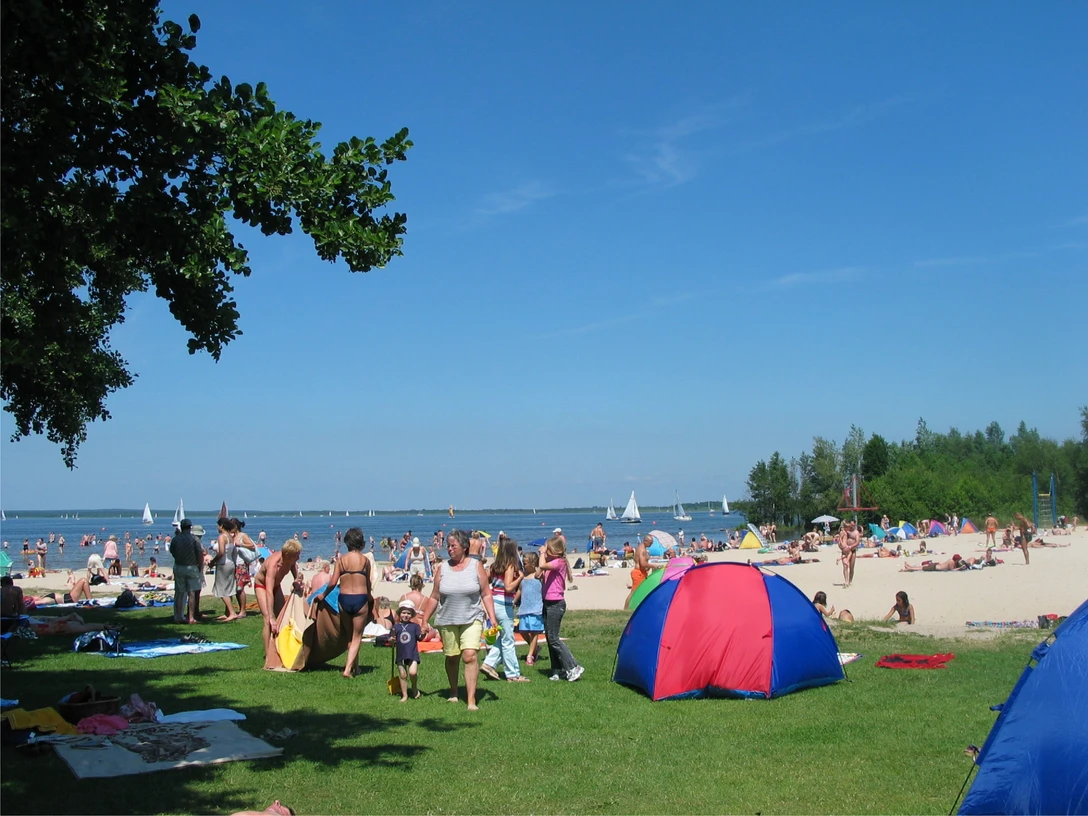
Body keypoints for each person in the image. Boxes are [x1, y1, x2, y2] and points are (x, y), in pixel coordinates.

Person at [420, 529, 498, 710]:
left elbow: (486, 594)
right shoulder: (443, 568)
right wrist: (424, 619)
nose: (449, 549)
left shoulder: (475, 566)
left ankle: (471, 700)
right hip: (447, 619)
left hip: (472, 618)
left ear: (464, 547)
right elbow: (434, 596)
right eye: (448, 546)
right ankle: (454, 691)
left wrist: (492, 617)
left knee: (469, 655)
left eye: (453, 546)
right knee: (452, 656)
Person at [313, 527, 371, 678]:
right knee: (357, 636)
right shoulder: (365, 561)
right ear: (361, 543)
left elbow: (332, 582)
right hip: (360, 598)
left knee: (349, 635)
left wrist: (323, 595)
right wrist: (370, 598)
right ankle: (347, 670)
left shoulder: (341, 560)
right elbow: (368, 584)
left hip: (344, 599)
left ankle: (355, 668)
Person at [481, 537, 528, 683]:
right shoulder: (510, 566)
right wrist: (520, 578)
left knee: (503, 638)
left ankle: (489, 664)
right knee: (508, 640)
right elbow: (508, 587)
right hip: (504, 605)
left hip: (494, 603)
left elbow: (484, 580)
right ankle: (512, 674)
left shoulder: (495, 565)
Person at [538, 535, 583, 682]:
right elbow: (539, 572)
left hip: (556, 604)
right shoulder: (551, 562)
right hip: (547, 602)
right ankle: (557, 669)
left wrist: (541, 554)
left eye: (548, 548)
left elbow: (543, 566)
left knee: (554, 638)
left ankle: (573, 666)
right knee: (549, 638)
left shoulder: (559, 562)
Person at [254, 538, 303, 665]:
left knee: (283, 618)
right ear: (288, 555)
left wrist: (296, 580)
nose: (298, 558)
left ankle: (281, 649)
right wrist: (271, 616)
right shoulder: (273, 565)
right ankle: (268, 656)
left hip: (276, 586)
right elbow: (269, 592)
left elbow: (293, 569)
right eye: (296, 556)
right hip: (262, 586)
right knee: (268, 621)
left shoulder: (290, 560)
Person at [169, 519, 205, 624]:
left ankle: (178, 616)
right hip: (191, 566)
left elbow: (173, 551)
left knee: (179, 592)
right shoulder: (194, 539)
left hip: (179, 566)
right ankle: (191, 617)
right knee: (192, 592)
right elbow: (199, 553)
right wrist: (199, 566)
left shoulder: (176, 539)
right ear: (190, 528)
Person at [392, 599, 424, 701]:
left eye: (408, 613)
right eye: (403, 613)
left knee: (413, 672)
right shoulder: (395, 627)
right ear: (400, 614)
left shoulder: (415, 626)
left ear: (412, 615)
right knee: (403, 674)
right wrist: (391, 640)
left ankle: (414, 687)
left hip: (412, 653)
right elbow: (392, 640)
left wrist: (423, 634)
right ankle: (404, 695)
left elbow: (419, 637)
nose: (406, 615)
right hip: (401, 654)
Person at [517, 552, 544, 666]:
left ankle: (530, 655)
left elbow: (542, 566)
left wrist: (542, 553)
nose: (524, 565)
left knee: (534, 632)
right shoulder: (523, 576)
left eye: (526, 563)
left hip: (536, 607)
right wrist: (514, 601)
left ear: (533, 563)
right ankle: (535, 648)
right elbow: (520, 590)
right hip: (524, 607)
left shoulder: (538, 575)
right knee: (522, 630)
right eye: (523, 563)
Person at [212, 517, 240, 621]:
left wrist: (212, 561)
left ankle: (232, 613)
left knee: (221, 589)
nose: (217, 527)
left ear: (222, 526)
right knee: (228, 588)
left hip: (223, 564)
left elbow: (221, 552)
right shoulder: (230, 537)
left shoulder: (222, 537)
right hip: (230, 563)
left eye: (218, 525)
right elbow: (232, 553)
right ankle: (227, 612)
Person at [624, 534, 653, 609]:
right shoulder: (642, 550)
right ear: (645, 541)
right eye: (650, 542)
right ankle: (625, 609)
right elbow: (643, 564)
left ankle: (639, 607)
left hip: (640, 573)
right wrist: (654, 566)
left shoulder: (640, 547)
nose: (651, 544)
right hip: (638, 573)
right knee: (634, 592)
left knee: (641, 591)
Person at [838, 521, 861, 588]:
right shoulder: (845, 531)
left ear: (855, 525)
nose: (852, 526)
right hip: (845, 550)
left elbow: (857, 542)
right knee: (845, 566)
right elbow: (840, 539)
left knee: (851, 567)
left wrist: (850, 547)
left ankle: (850, 581)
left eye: (853, 525)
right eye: (851, 525)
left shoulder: (856, 533)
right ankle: (846, 581)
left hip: (852, 550)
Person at [900, 554, 965, 572]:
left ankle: (909, 566)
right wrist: (960, 568)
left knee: (921, 567)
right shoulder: (951, 562)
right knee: (920, 569)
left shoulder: (951, 561)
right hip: (935, 567)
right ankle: (906, 569)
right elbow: (952, 570)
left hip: (936, 565)